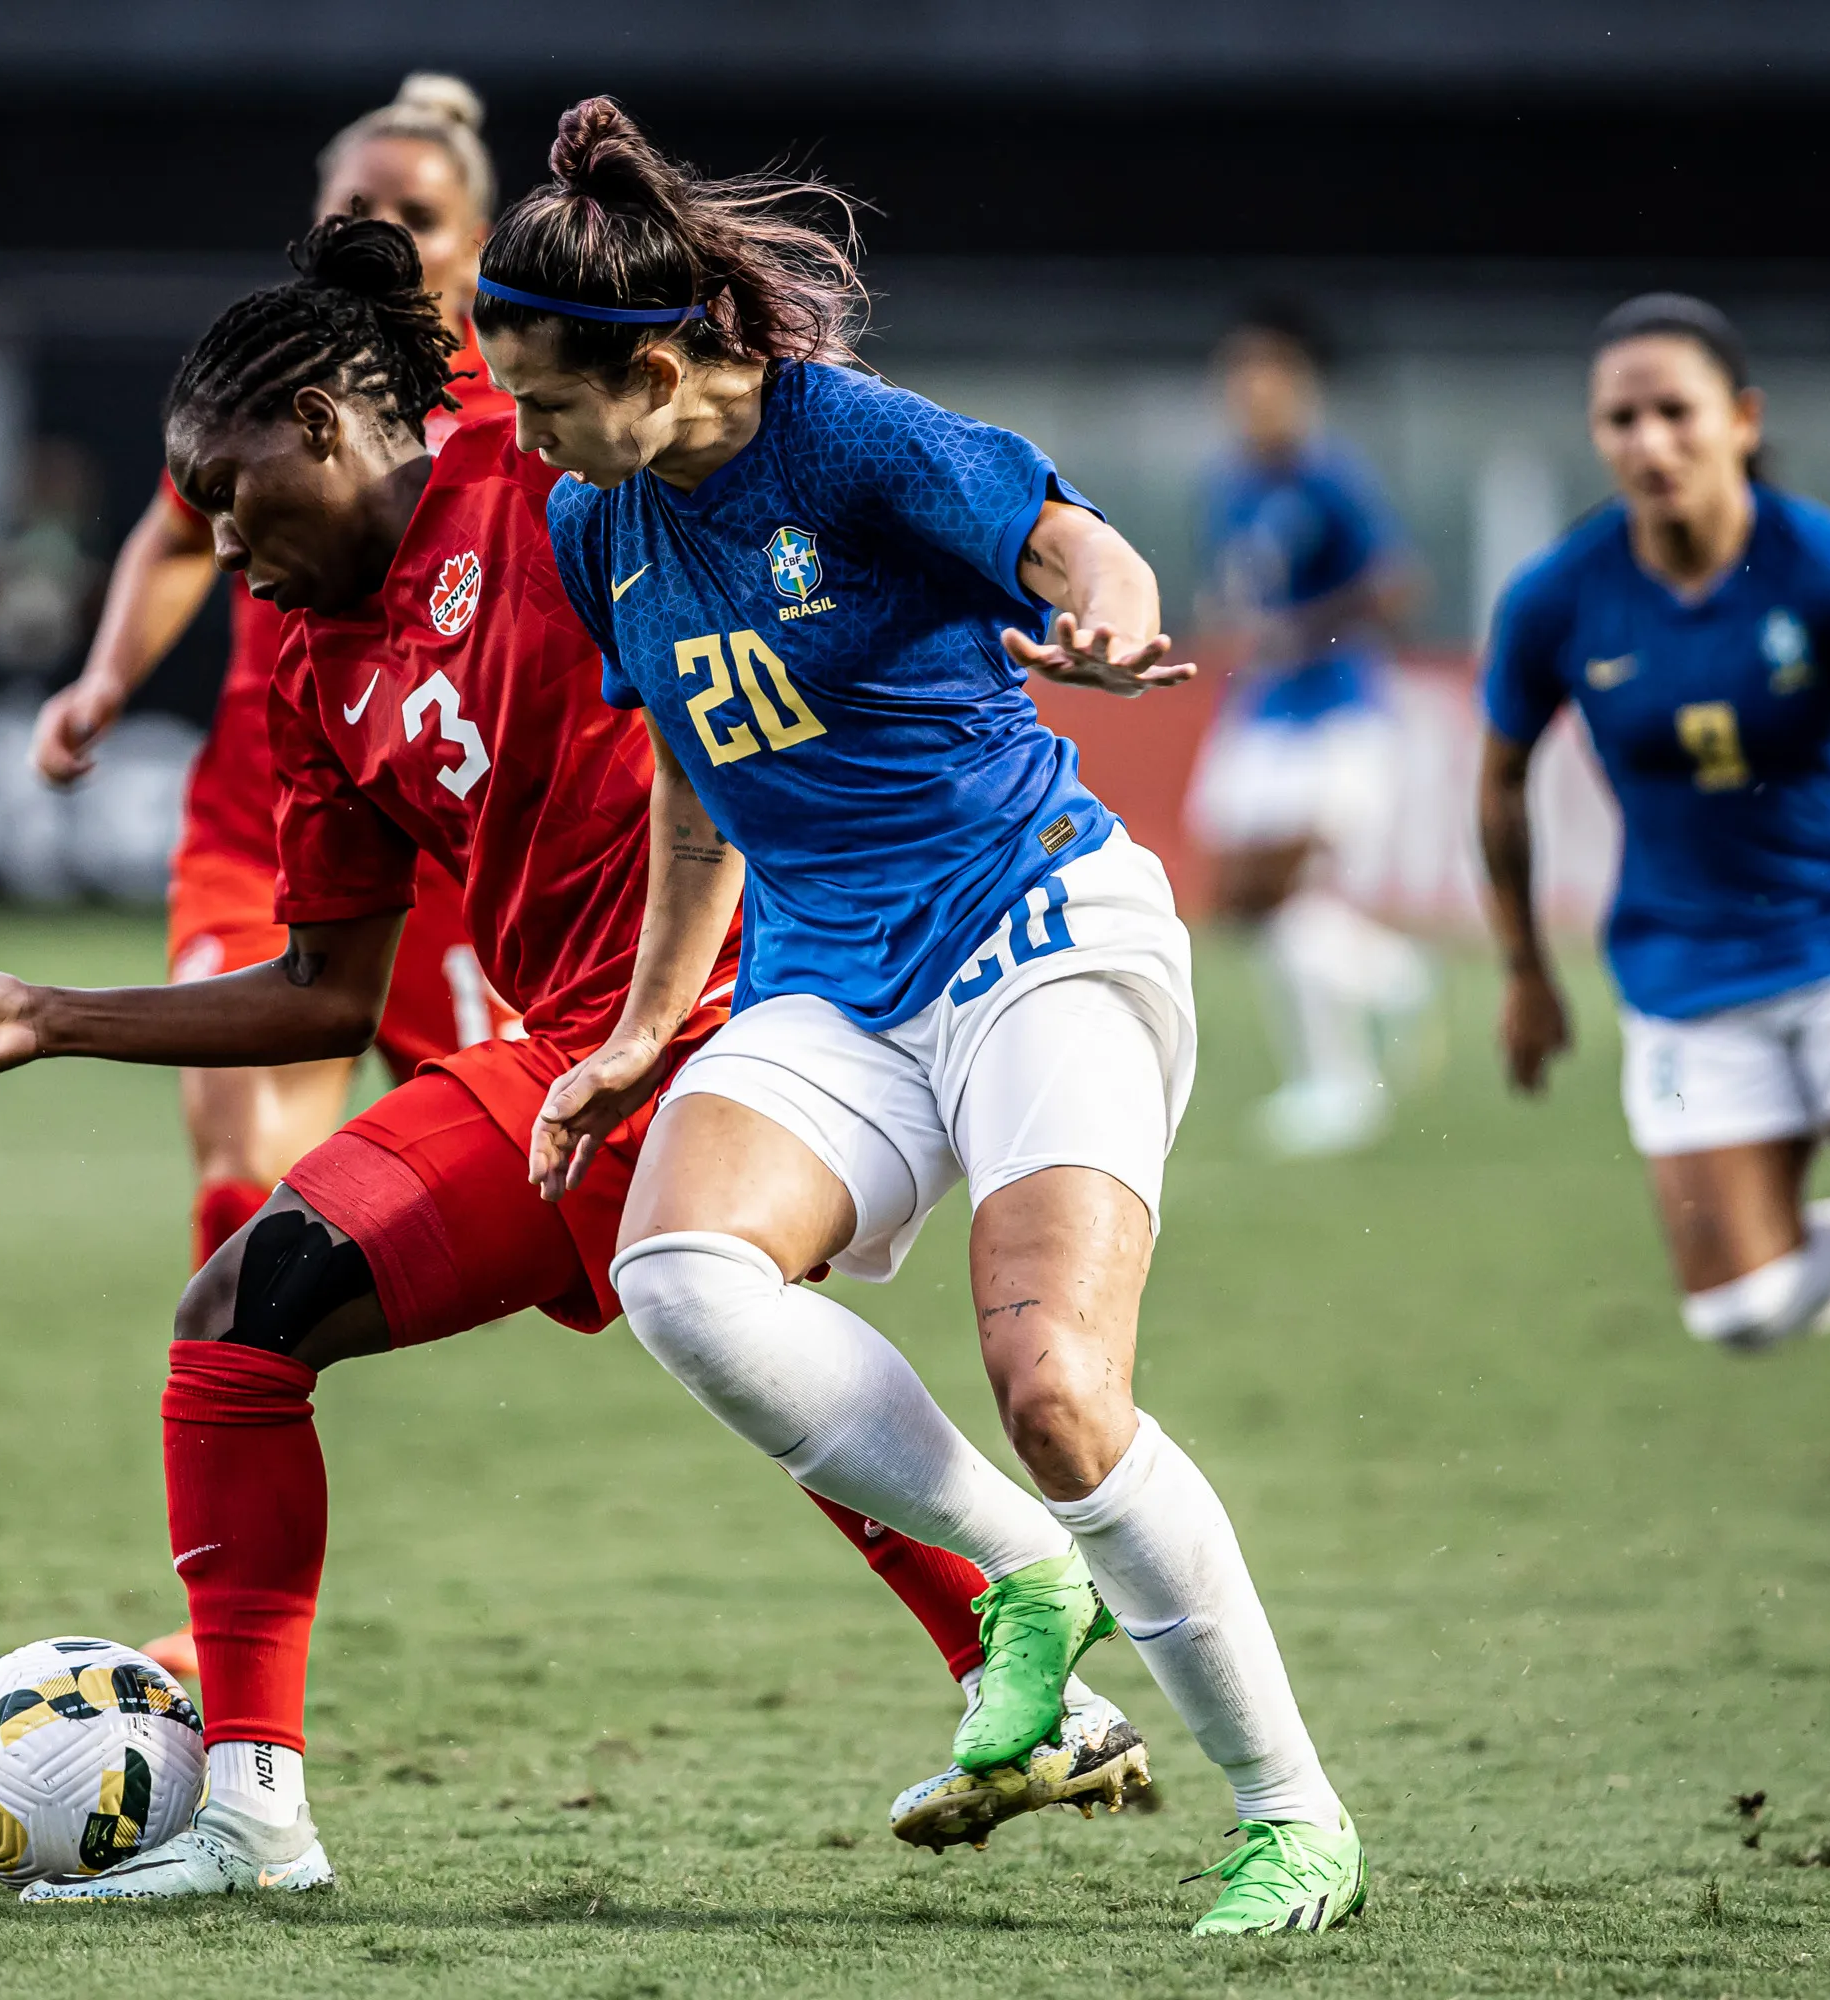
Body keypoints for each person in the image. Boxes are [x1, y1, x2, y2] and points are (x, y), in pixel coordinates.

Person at [0, 218, 1152, 1900]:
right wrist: (57, 1018)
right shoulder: (309, 675)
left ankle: (259, 1818)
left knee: (248, 1317)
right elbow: (327, 991)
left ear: (333, 431)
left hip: (727, 1019)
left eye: (227, 485)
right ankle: (1037, 1679)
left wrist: (1010, 586)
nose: (215, 536)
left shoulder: (538, 471)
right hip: (574, 1054)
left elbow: (740, 444)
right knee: (725, 1364)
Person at [489, 99, 1366, 1935]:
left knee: (1059, 1388)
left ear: (655, 369)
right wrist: (653, 1025)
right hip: (830, 977)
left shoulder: (857, 445)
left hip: (1035, 929)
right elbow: (695, 773)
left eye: (550, 399)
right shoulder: (601, 527)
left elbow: (1075, 552)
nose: (529, 433)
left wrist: (1116, 629)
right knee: (679, 1274)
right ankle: (1028, 1577)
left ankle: (1294, 1818)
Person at [1480, 293, 1830, 1623]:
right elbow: (1501, 784)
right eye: (1622, 417)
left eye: (1676, 409)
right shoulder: (1562, 597)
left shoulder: (1827, 564)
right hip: (1685, 981)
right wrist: (1524, 969)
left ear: (1741, 421)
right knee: (1739, 1316)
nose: (1649, 438)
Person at [32, 74, 520, 1276]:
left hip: (456, 839)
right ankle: (244, 1383)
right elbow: (177, 528)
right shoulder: (261, 386)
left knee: (568, 1209)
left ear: (475, 245)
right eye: (355, 201)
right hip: (272, 805)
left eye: (416, 210)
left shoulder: (524, 409)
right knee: (245, 1149)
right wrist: (105, 678)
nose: (380, 227)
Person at [1188, 300, 1434, 1158]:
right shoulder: (1230, 482)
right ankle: (1395, 978)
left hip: (1336, 715)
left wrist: (1311, 627)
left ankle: (1336, 1087)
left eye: (1265, 374)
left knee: (1293, 900)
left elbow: (1397, 585)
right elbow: (1246, 589)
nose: (1248, 391)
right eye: (1237, 376)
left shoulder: (1331, 475)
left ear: (1298, 385)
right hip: (1260, 711)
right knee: (1242, 904)